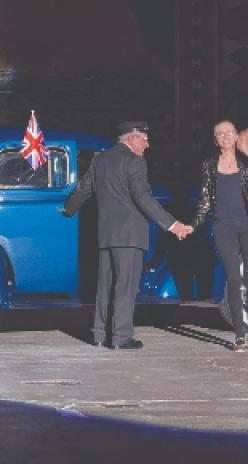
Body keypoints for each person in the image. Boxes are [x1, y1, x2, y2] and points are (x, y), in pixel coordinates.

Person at [64, 121, 191, 350]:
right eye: (145, 139)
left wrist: (68, 210)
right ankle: (122, 337)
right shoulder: (135, 162)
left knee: (105, 285)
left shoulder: (99, 160)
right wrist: (172, 225)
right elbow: (143, 198)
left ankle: (101, 335)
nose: (148, 144)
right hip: (130, 235)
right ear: (132, 138)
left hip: (106, 234)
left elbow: (83, 189)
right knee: (126, 285)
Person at [188, 120, 248, 352]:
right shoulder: (209, 165)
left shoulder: (246, 162)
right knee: (234, 279)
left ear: (236, 136)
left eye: (229, 132)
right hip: (223, 227)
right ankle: (239, 335)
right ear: (215, 140)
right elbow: (205, 200)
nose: (225, 136)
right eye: (220, 134)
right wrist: (193, 225)